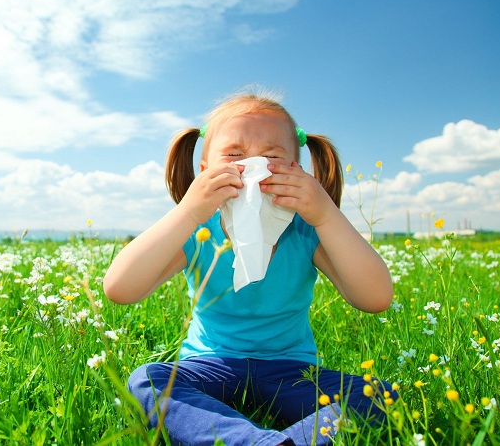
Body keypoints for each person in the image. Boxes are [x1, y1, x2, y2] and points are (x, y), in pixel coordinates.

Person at [103, 89, 396, 446]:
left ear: (296, 170)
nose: (253, 167)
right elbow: (119, 288)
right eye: (235, 155)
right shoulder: (199, 229)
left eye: (272, 156)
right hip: (211, 365)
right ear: (205, 170)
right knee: (147, 381)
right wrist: (189, 211)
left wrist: (325, 214)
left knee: (376, 395)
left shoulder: (307, 229)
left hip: (292, 371)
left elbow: (376, 297)